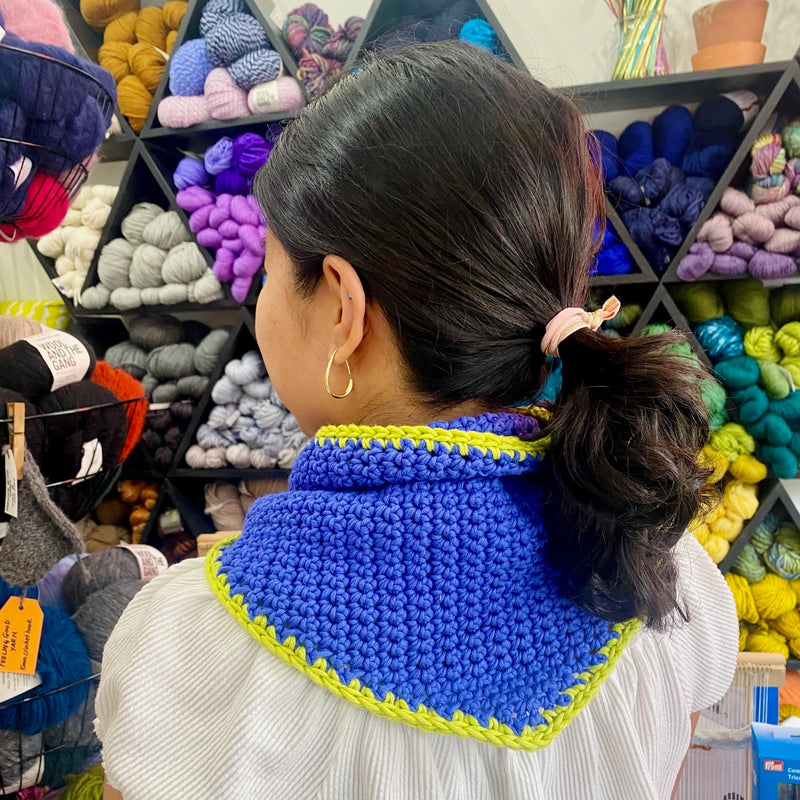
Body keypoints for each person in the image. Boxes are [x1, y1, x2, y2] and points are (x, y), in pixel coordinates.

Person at [97, 41, 738, 799]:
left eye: (270, 277)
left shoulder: (187, 645)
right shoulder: (666, 581)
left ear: (343, 306)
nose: (262, 307)